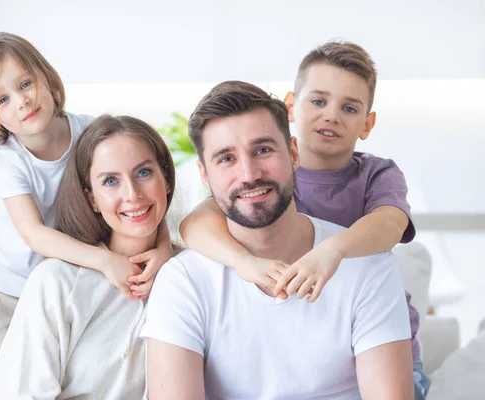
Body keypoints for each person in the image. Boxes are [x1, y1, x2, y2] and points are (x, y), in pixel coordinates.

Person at [179, 41, 429, 397]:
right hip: (296, 338)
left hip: (379, 343)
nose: (331, 115)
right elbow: (195, 223)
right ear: (291, 107)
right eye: (318, 101)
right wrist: (243, 262)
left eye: (349, 107)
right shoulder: (264, 180)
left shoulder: (377, 174)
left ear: (367, 124)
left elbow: (390, 224)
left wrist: (333, 251)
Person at [0, 33, 172, 400]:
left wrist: (162, 248)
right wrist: (106, 261)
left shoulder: (88, 132)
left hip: (57, 269)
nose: (22, 101)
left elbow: (146, 201)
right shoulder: (8, 157)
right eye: (3, 99)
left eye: (25, 84)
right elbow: (35, 235)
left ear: (46, 79)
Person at [0, 115, 176, 399]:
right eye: (111, 181)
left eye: (143, 173)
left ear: (165, 178)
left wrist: (166, 251)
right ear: (92, 199)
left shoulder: (188, 274)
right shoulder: (56, 283)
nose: (132, 194)